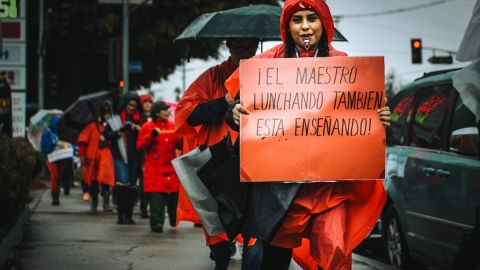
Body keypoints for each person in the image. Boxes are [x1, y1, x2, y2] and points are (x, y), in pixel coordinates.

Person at [225, 1, 391, 269]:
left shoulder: (345, 66)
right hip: (281, 187)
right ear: (286, 27)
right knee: (275, 258)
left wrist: (381, 119)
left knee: (334, 251)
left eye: (311, 18)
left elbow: (365, 114)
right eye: (296, 19)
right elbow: (239, 107)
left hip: (330, 187)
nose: (304, 26)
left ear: (323, 23)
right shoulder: (265, 66)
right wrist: (233, 115)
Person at [175, 38, 259, 270]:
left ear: (257, 46)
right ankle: (221, 256)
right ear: (229, 46)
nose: (244, 52)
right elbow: (188, 114)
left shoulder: (268, 74)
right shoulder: (212, 77)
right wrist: (224, 103)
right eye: (239, 47)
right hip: (218, 157)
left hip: (255, 159)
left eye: (250, 47)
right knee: (217, 218)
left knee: (254, 222)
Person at [136, 101, 182, 232]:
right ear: (157, 113)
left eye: (168, 110)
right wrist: (151, 136)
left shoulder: (173, 126)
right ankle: (157, 224)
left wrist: (183, 137)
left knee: (174, 199)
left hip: (171, 170)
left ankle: (174, 220)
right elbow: (140, 146)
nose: (168, 112)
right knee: (157, 201)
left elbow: (180, 144)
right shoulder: (147, 127)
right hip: (154, 170)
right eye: (165, 110)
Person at [103, 92, 143, 225]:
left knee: (132, 186)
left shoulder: (140, 119)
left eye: (134, 105)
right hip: (120, 155)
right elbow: (106, 135)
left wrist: (139, 129)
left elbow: (146, 136)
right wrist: (119, 131)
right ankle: (120, 214)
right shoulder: (116, 118)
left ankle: (129, 215)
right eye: (130, 105)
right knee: (123, 183)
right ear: (125, 104)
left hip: (135, 156)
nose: (132, 108)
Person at [77, 101, 115, 212]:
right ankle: (94, 203)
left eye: (108, 113)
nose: (107, 115)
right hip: (92, 158)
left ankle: (106, 204)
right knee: (93, 182)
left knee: (105, 180)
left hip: (106, 158)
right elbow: (82, 141)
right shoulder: (91, 126)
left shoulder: (113, 126)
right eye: (105, 112)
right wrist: (82, 155)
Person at [40, 115, 64, 205]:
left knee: (58, 178)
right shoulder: (46, 133)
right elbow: (44, 147)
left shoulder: (61, 133)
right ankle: (54, 197)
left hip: (61, 157)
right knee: (55, 176)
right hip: (51, 158)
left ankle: (56, 196)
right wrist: (53, 143)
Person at [138, 94, 154, 218]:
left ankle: (147, 205)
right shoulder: (138, 118)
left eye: (149, 102)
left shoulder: (154, 118)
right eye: (145, 102)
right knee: (143, 182)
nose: (148, 104)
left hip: (153, 153)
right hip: (142, 154)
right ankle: (143, 206)